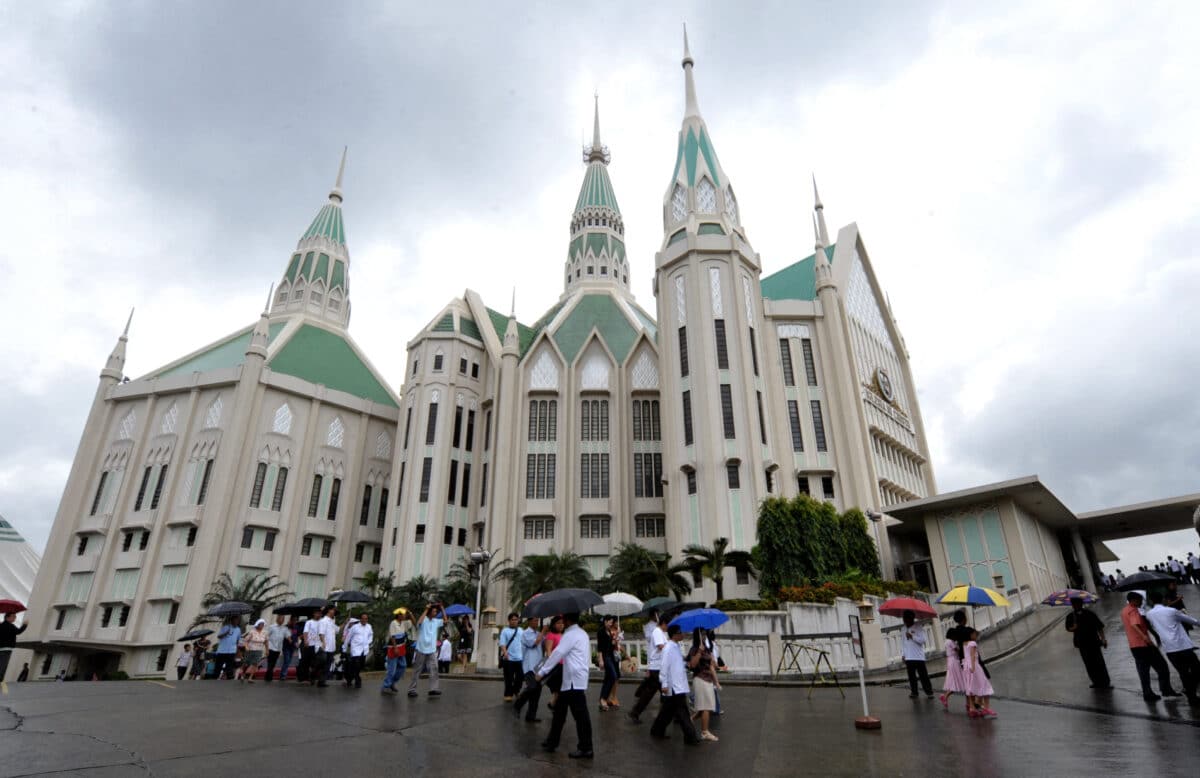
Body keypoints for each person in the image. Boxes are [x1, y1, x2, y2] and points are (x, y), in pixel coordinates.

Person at [536, 612, 594, 759]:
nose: (561, 624)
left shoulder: (570, 635)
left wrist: (542, 672)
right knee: (559, 712)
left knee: (580, 716)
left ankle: (586, 748)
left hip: (573, 680)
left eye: (563, 621)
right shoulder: (582, 633)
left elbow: (557, 654)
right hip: (572, 679)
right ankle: (551, 742)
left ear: (567, 620)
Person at [1120, 591, 1179, 701]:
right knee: (1162, 666)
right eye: (1140, 600)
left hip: (1134, 646)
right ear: (1133, 600)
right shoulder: (1133, 610)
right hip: (1144, 645)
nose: (1142, 602)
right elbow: (1134, 624)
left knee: (1143, 671)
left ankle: (1147, 693)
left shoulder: (1124, 610)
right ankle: (1166, 690)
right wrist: (1145, 637)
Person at [1144, 590, 1200, 704]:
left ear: (1151, 601)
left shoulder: (1149, 614)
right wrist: (1182, 613)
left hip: (1170, 649)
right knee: (1197, 670)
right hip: (1183, 646)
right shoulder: (1172, 611)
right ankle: (1191, 692)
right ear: (1163, 599)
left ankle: (1191, 697)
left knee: (1183, 672)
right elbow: (1192, 621)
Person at [650, 624, 701, 744]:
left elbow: (677, 663)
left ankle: (657, 730)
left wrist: (685, 665)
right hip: (674, 685)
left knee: (667, 711)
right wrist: (664, 684)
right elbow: (664, 667)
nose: (682, 634)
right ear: (675, 634)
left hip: (678, 684)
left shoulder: (676, 646)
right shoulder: (668, 648)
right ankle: (690, 737)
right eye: (680, 632)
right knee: (683, 712)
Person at [628, 613, 668, 724]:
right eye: (667, 625)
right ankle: (675, 715)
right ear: (663, 623)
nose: (668, 627)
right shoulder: (657, 632)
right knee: (666, 693)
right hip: (657, 667)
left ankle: (635, 712)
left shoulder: (660, 632)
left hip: (658, 666)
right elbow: (661, 646)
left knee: (650, 693)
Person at [1065, 597, 1110, 689]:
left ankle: (1105, 682)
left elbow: (1099, 627)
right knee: (1088, 664)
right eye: (1074, 604)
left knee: (1099, 662)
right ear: (1072, 606)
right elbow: (1068, 628)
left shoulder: (1090, 614)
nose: (1077, 606)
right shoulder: (1070, 616)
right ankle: (1095, 682)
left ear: (1081, 604)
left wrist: (1103, 639)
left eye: (1078, 604)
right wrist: (1073, 628)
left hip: (1094, 642)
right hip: (1082, 644)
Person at [686, 627, 720, 741]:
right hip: (700, 679)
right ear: (698, 635)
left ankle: (688, 720)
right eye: (702, 634)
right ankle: (705, 732)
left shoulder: (707, 648)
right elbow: (692, 665)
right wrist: (699, 652)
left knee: (706, 708)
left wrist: (716, 682)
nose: (705, 636)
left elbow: (712, 666)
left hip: (709, 680)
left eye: (705, 633)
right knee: (705, 707)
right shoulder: (695, 649)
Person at [408, 602, 445, 698]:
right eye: (434, 611)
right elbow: (418, 623)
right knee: (417, 670)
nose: (435, 613)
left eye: (436, 612)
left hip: (432, 649)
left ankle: (433, 689)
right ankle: (412, 690)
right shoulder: (424, 619)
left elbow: (445, 620)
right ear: (429, 612)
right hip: (421, 648)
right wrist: (426, 609)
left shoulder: (436, 621)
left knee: (434, 669)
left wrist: (442, 608)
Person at [513, 618, 546, 722]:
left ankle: (531, 715)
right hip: (529, 666)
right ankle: (518, 704)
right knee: (531, 687)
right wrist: (543, 632)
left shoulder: (538, 633)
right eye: (534, 620)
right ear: (529, 622)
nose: (536, 622)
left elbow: (543, 645)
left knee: (537, 692)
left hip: (539, 666)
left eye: (537, 620)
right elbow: (534, 644)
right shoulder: (526, 633)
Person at [900, 610, 933, 699]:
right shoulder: (903, 629)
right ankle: (914, 692)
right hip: (909, 657)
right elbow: (903, 643)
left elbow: (922, 641)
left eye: (907, 618)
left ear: (911, 618)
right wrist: (903, 654)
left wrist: (912, 636)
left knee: (923, 676)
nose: (905, 620)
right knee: (911, 677)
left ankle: (929, 692)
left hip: (918, 656)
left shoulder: (918, 627)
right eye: (904, 619)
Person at [963, 629, 996, 718]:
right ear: (970, 635)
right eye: (975, 634)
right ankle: (986, 707)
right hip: (975, 667)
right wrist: (973, 667)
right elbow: (973, 656)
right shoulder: (973, 643)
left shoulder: (964, 644)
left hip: (966, 667)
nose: (976, 636)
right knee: (985, 685)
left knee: (970, 687)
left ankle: (972, 708)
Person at [381, 609, 410, 693]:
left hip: (402, 647)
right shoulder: (393, 623)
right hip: (393, 648)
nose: (405, 616)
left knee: (403, 666)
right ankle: (386, 686)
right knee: (392, 669)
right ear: (399, 615)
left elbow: (414, 622)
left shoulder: (404, 623)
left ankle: (392, 682)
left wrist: (410, 613)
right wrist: (395, 648)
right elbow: (392, 636)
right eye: (403, 615)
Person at [342, 612, 373, 689]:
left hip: (364, 649)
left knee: (360, 666)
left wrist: (368, 642)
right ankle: (357, 680)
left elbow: (371, 635)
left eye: (366, 619)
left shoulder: (369, 626)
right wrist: (344, 648)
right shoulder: (355, 627)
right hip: (355, 649)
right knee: (356, 665)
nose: (364, 620)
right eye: (363, 618)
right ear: (360, 619)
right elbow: (348, 637)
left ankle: (349, 678)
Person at [498, 612, 525, 701]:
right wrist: (505, 653)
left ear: (518, 621)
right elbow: (502, 643)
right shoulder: (505, 631)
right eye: (512, 620)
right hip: (508, 659)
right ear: (509, 621)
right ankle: (508, 694)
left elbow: (525, 643)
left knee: (520, 677)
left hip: (520, 658)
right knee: (508, 678)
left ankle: (516, 690)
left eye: (516, 620)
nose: (514, 621)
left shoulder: (521, 630)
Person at [597, 616, 620, 711]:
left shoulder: (609, 632)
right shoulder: (601, 632)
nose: (611, 624)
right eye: (609, 622)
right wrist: (600, 660)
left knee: (608, 678)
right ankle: (603, 698)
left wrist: (615, 639)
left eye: (612, 622)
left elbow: (611, 644)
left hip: (611, 657)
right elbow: (600, 648)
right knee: (613, 676)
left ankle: (603, 699)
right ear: (605, 622)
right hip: (605, 657)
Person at [0, 613, 28, 682]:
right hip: (6, 649)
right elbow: (18, 631)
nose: (14, 619)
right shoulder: (10, 626)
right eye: (13, 617)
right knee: (3, 665)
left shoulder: (1, 625)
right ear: (7, 617)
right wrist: (25, 625)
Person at [239, 619, 267, 683]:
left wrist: (267, 650)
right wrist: (246, 646)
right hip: (250, 650)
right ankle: (243, 674)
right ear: (257, 624)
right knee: (246, 663)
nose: (262, 625)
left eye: (263, 624)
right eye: (261, 624)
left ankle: (250, 678)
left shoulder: (264, 633)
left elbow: (266, 641)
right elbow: (246, 640)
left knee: (255, 664)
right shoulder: (252, 632)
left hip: (259, 650)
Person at [265, 614, 290, 683]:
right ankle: (269, 678)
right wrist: (266, 649)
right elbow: (266, 637)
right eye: (281, 618)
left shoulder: (284, 628)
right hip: (271, 647)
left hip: (278, 649)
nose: (282, 620)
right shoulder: (272, 627)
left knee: (273, 663)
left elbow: (288, 635)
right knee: (270, 663)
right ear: (277, 619)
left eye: (283, 619)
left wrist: (290, 639)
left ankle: (268, 676)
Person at [299, 610, 322, 684]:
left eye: (320, 613)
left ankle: (313, 677)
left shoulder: (322, 623)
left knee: (316, 663)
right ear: (314, 614)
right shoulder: (309, 622)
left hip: (318, 645)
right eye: (317, 613)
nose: (318, 615)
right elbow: (305, 632)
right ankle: (305, 678)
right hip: (309, 644)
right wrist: (305, 640)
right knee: (306, 662)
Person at [317, 607, 338, 687]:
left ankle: (322, 681)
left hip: (331, 647)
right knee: (323, 665)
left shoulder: (332, 622)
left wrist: (346, 623)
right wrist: (323, 642)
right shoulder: (323, 621)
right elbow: (321, 633)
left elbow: (338, 630)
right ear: (329, 610)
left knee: (327, 665)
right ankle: (319, 680)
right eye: (333, 609)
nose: (334, 611)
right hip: (325, 647)